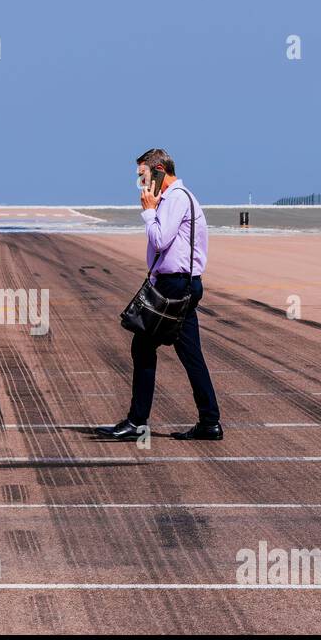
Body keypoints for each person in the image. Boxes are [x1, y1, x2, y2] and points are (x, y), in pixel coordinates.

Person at [95, 148, 223, 441]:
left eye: (143, 175)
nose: (140, 183)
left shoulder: (175, 199)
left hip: (175, 286)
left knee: (142, 347)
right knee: (190, 354)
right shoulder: (176, 198)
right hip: (180, 285)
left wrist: (149, 212)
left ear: (159, 170)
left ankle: (137, 422)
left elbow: (160, 239)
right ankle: (209, 421)